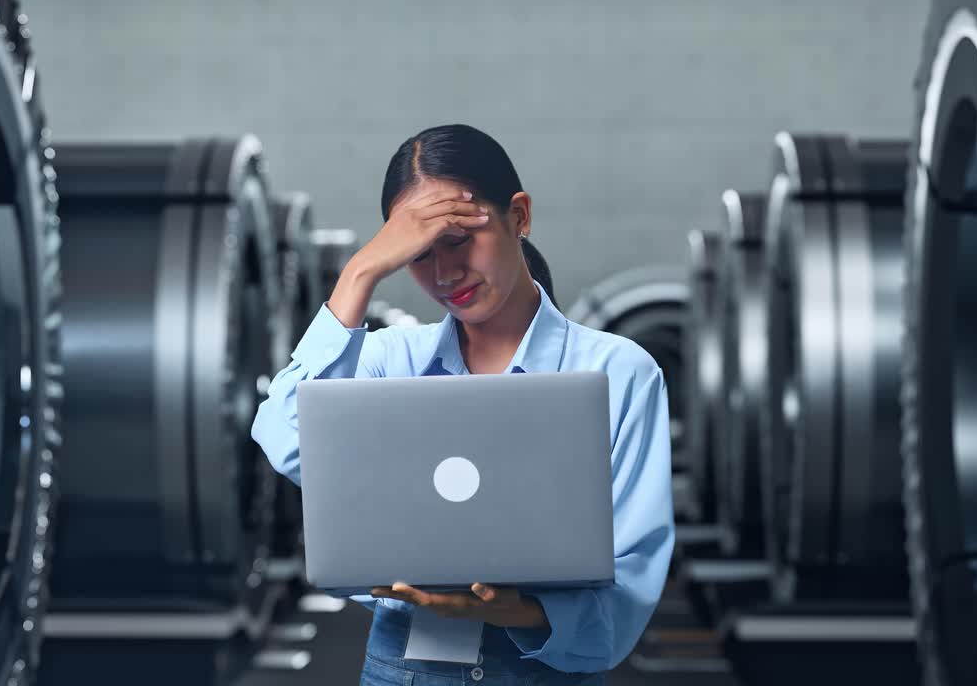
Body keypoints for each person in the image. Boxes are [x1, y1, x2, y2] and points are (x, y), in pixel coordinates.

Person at [251, 124, 674, 685]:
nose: (445, 275)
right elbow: (284, 436)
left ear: (518, 217)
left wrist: (514, 612)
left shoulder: (619, 374)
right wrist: (359, 273)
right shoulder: (387, 362)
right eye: (416, 256)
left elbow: (629, 590)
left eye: (457, 241)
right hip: (403, 672)